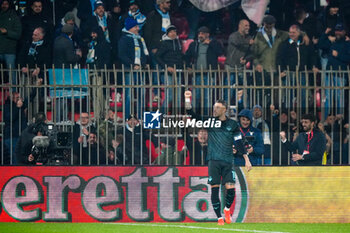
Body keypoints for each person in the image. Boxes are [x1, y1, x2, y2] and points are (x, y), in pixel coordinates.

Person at [185, 94, 252, 225]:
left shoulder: (232, 125)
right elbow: (192, 115)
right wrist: (187, 100)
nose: (214, 110)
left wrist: (246, 159)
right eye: (214, 107)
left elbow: (239, 142)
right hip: (213, 161)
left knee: (231, 189)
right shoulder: (210, 121)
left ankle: (227, 210)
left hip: (228, 161)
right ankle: (219, 218)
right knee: (214, 189)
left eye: (217, 108)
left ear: (224, 110)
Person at [185, 26, 223, 114]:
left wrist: (210, 43)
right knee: (196, 97)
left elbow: (220, 52)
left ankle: (207, 117)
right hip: (197, 74)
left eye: (202, 33)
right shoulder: (194, 45)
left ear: (207, 35)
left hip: (209, 75)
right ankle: (194, 117)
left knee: (207, 98)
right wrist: (188, 66)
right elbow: (186, 56)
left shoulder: (214, 43)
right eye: (199, 33)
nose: (200, 35)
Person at [118, 16, 149, 117]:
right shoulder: (124, 39)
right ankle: (127, 117)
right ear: (130, 28)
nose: (138, 29)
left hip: (140, 70)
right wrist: (132, 65)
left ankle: (140, 117)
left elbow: (143, 54)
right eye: (135, 26)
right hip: (129, 70)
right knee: (129, 95)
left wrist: (144, 64)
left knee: (142, 94)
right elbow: (122, 55)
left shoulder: (140, 39)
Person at [155, 25, 184, 113]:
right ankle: (162, 116)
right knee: (169, 96)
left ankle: (177, 117)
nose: (173, 33)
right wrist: (166, 67)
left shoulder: (179, 43)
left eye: (174, 31)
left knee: (178, 97)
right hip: (167, 73)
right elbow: (157, 56)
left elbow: (181, 57)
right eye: (171, 32)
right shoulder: (164, 43)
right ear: (167, 33)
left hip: (178, 72)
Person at [143, 0, 172, 66]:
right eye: (167, 2)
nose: (169, 4)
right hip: (157, 48)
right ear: (161, 4)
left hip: (168, 48)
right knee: (157, 71)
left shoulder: (171, 15)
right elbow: (148, 33)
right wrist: (152, 47)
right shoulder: (152, 15)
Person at [0, 0, 22, 86]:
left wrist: (7, 32)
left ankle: (14, 94)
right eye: (2, 4)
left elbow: (18, 34)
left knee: (11, 74)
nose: (4, 6)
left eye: (6, 4)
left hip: (9, 50)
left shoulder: (14, 17)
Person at [3, 92, 28, 164]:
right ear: (12, 98)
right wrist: (17, 107)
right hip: (11, 136)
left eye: (20, 98)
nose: (19, 99)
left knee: (20, 156)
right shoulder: (7, 106)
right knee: (14, 157)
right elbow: (10, 118)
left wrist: (36, 87)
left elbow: (29, 98)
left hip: (20, 136)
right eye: (17, 98)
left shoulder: (21, 105)